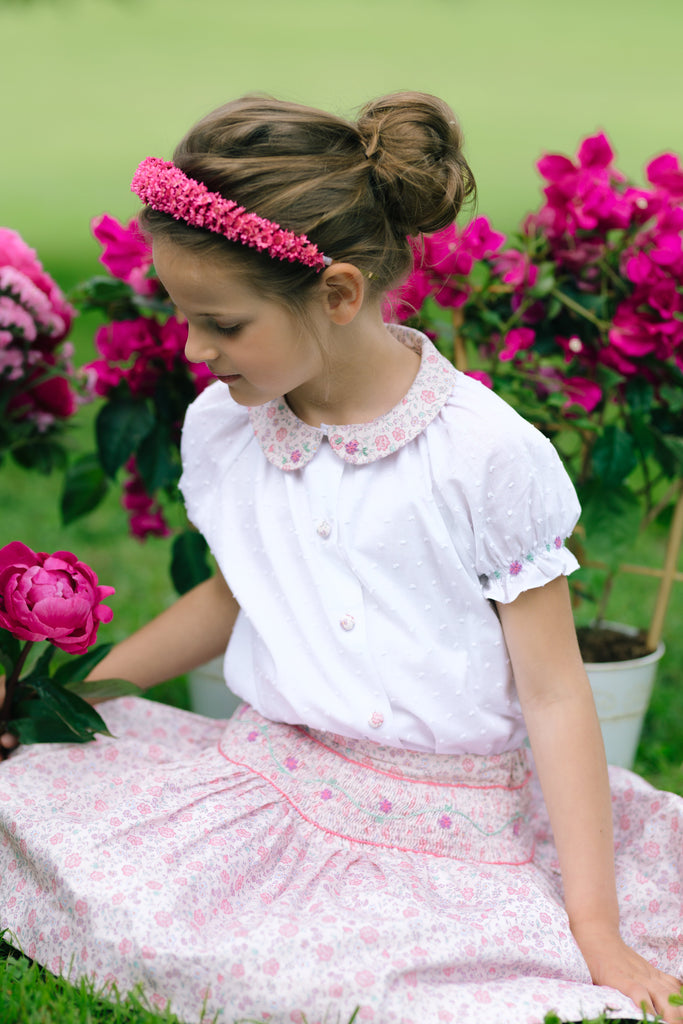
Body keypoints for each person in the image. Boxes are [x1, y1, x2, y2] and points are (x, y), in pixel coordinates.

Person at [1, 92, 681, 1024]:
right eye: (182, 315)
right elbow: (232, 596)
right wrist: (68, 700)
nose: (195, 350)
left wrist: (596, 933)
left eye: (224, 324)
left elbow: (557, 694)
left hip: (443, 814)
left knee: (307, 982)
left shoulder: (481, 454)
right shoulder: (229, 426)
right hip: (276, 773)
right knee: (26, 797)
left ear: (338, 294)